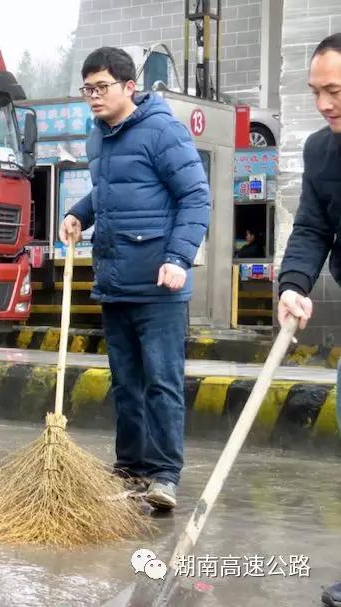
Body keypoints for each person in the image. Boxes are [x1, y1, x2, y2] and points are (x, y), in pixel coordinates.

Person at [58, 47, 210, 511]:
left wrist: (179, 258)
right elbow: (108, 191)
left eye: (101, 87)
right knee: (125, 383)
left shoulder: (162, 130)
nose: (93, 97)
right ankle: (131, 468)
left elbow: (196, 197)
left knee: (162, 382)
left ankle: (165, 475)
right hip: (115, 280)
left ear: (129, 86)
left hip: (160, 285)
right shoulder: (96, 138)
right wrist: (78, 214)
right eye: (87, 89)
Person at [271, 34, 341, 607]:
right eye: (316, 92)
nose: (323, 104)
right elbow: (313, 228)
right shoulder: (321, 152)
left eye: (334, 91)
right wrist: (293, 285)